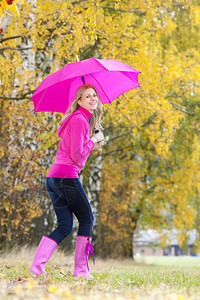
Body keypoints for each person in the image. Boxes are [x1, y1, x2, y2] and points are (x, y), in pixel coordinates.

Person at [29, 84, 104, 278]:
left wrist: (92, 141)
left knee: (64, 226)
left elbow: (76, 152)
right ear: (79, 101)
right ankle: (80, 270)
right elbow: (78, 156)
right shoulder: (80, 120)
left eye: (94, 95)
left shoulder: (76, 119)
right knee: (87, 218)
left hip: (54, 177)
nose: (93, 99)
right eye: (87, 96)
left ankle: (37, 267)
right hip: (66, 177)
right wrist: (93, 141)